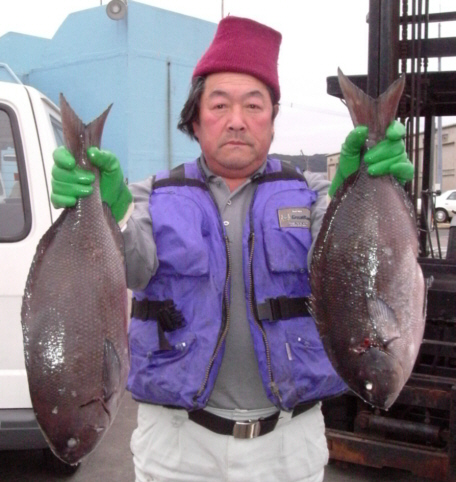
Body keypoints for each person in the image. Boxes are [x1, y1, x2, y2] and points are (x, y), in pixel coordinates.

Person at [51, 16, 414, 482]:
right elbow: (131, 268)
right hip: (176, 447)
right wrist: (105, 208)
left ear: (273, 119)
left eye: (254, 105)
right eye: (219, 104)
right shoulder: (148, 196)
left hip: (288, 446)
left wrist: (356, 192)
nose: (237, 121)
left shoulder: (314, 194)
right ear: (195, 119)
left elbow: (346, 269)